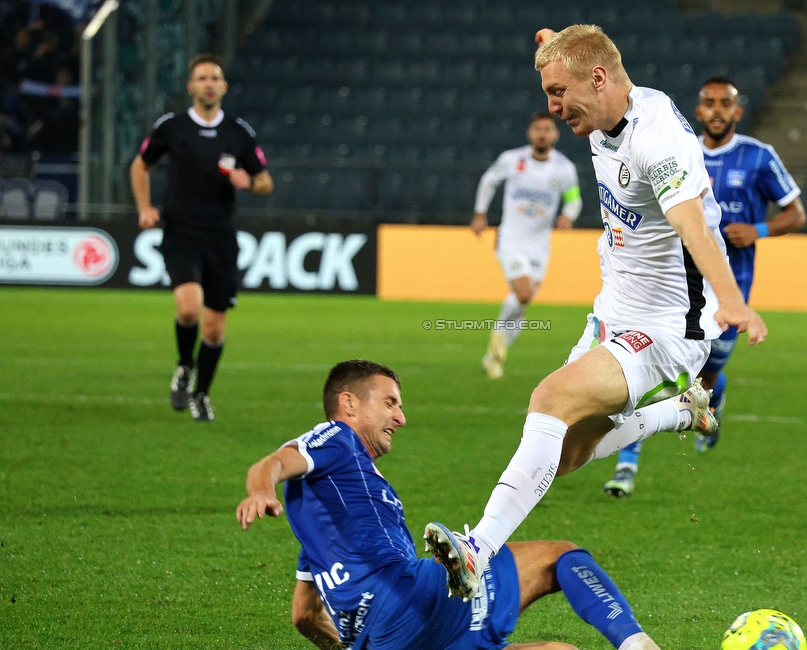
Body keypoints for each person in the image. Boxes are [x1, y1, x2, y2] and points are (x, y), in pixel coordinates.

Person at [425, 25, 767, 601]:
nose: (553, 108)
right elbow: (586, 55)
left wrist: (733, 301)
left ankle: (476, 550)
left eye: (559, 92)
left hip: (668, 329)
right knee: (563, 456)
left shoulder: (656, 140)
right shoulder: (606, 103)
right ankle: (678, 414)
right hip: (611, 311)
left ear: (600, 79)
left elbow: (691, 221)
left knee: (550, 398)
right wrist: (558, 43)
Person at [236, 360, 661, 650]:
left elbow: (304, 616)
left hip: (386, 639)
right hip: (411, 600)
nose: (400, 418)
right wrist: (260, 489)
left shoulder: (324, 526)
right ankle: (637, 643)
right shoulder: (337, 438)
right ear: (348, 404)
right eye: (390, 403)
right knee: (558, 558)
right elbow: (275, 461)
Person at [603, 76, 807, 497]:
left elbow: (797, 214)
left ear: (737, 111)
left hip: (728, 294)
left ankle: (716, 394)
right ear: (698, 112)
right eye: (709, 103)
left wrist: (759, 229)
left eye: (725, 103)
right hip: (670, 291)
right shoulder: (677, 147)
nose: (716, 110)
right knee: (647, 375)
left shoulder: (758, 157)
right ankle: (627, 464)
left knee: (706, 376)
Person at [130, 53, 273, 422]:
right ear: (191, 86)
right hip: (181, 231)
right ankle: (183, 365)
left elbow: (265, 181)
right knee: (188, 308)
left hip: (221, 238)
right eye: (202, 77)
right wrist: (145, 207)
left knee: (213, 328)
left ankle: (202, 394)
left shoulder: (238, 132)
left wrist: (249, 181)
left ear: (224, 86)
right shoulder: (172, 127)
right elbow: (140, 165)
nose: (209, 83)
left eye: (215, 77)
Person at [472, 111, 582, 379]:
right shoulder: (513, 160)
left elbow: (574, 198)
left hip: (539, 244)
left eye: (547, 129)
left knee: (522, 305)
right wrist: (480, 212)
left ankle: (493, 358)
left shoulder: (563, 168)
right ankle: (498, 335)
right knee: (523, 293)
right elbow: (489, 181)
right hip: (510, 238)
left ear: (555, 134)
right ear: (530, 133)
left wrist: (569, 214)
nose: (542, 134)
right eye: (537, 129)